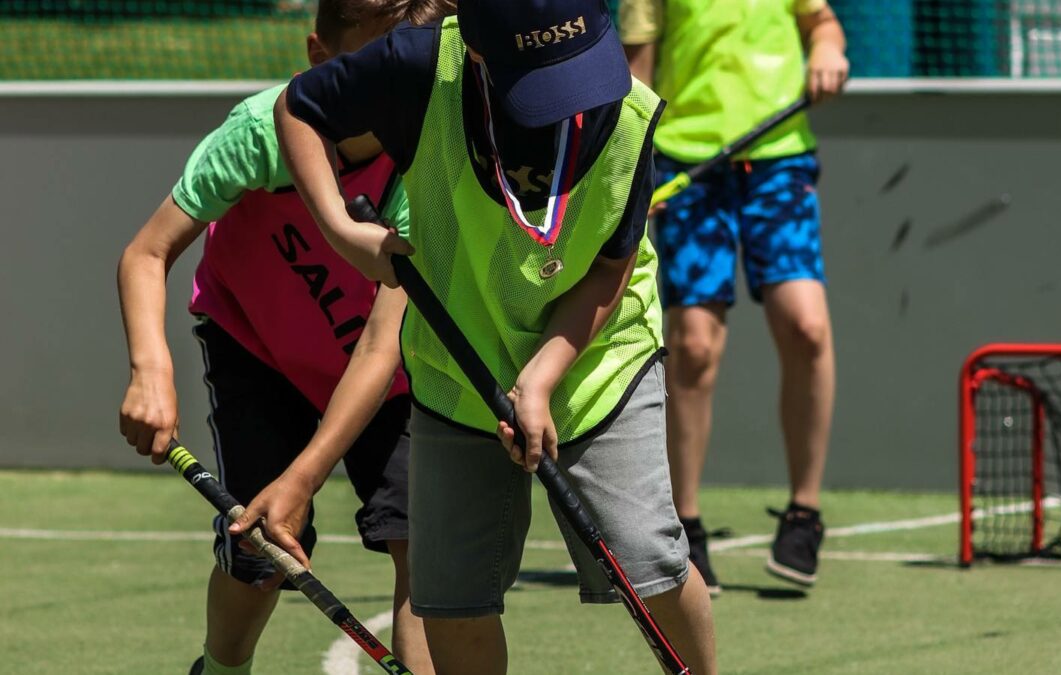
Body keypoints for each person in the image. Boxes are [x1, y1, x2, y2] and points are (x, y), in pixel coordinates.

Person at [237, 0, 718, 672]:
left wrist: (543, 375)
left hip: (596, 361)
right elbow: (299, 108)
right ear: (480, 54)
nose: (566, 100)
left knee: (647, 560)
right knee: (452, 597)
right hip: (459, 368)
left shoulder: (628, 111)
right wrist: (344, 232)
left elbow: (610, 270)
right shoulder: (417, 64)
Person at [116, 2, 454, 673]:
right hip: (255, 347)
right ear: (319, 59)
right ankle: (220, 667)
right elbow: (146, 254)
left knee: (423, 541)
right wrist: (149, 370)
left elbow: (381, 346)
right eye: (374, 66)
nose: (396, 89)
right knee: (262, 553)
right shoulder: (258, 133)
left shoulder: (425, 165)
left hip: (379, 372)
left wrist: (304, 474)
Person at [619, 0, 848, 591]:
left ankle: (804, 513)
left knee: (807, 326)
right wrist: (635, 162)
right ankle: (684, 525)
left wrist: (828, 48)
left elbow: (819, 21)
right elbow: (637, 67)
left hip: (779, 160)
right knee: (692, 346)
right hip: (689, 165)